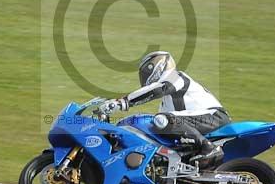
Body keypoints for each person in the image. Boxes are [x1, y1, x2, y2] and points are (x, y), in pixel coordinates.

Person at [98, 51, 230, 168]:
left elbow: (157, 89)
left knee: (163, 119)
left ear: (159, 66)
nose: (144, 77)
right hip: (199, 120)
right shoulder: (165, 103)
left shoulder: (176, 76)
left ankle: (208, 147)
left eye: (146, 72)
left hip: (214, 116)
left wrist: (123, 102)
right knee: (157, 125)